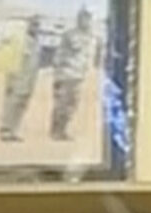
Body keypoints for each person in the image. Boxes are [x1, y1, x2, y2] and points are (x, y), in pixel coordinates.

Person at [49, 9, 99, 143]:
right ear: (79, 20)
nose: (87, 22)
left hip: (78, 74)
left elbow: (89, 56)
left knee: (73, 104)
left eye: (89, 19)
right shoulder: (71, 35)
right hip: (66, 74)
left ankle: (62, 129)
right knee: (63, 103)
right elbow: (68, 50)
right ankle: (57, 131)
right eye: (84, 19)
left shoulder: (89, 36)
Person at [0, 17, 47, 143]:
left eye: (37, 26)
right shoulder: (20, 40)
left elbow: (37, 62)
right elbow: (11, 61)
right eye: (33, 25)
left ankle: (14, 130)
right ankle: (5, 129)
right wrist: (10, 81)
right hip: (17, 78)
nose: (35, 28)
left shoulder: (37, 43)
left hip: (30, 79)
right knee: (12, 104)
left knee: (22, 105)